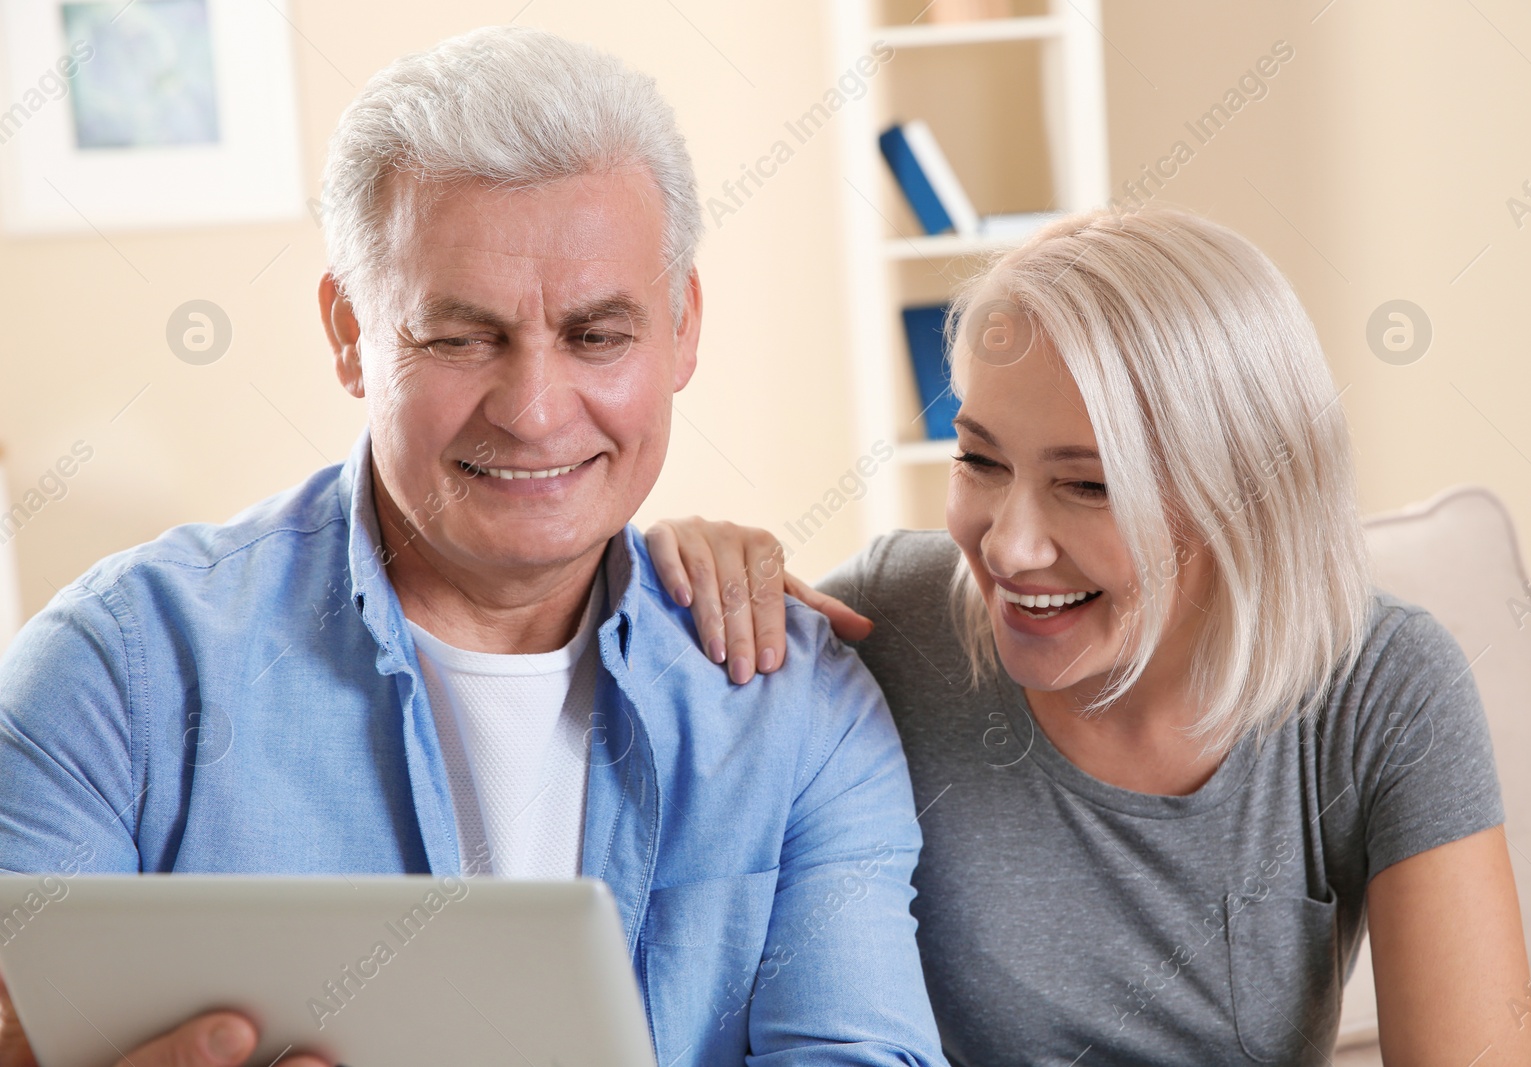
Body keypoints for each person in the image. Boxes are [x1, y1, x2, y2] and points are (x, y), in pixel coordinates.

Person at [0, 27, 946, 1067]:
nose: (535, 412)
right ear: (349, 333)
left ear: (682, 325)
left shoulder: (796, 704)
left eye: (596, 335)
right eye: (459, 338)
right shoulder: (115, 673)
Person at [646, 208, 1531, 1065]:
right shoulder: (893, 624)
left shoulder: (1380, 688)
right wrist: (685, 577)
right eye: (979, 460)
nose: (1008, 545)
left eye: (1089, 486)